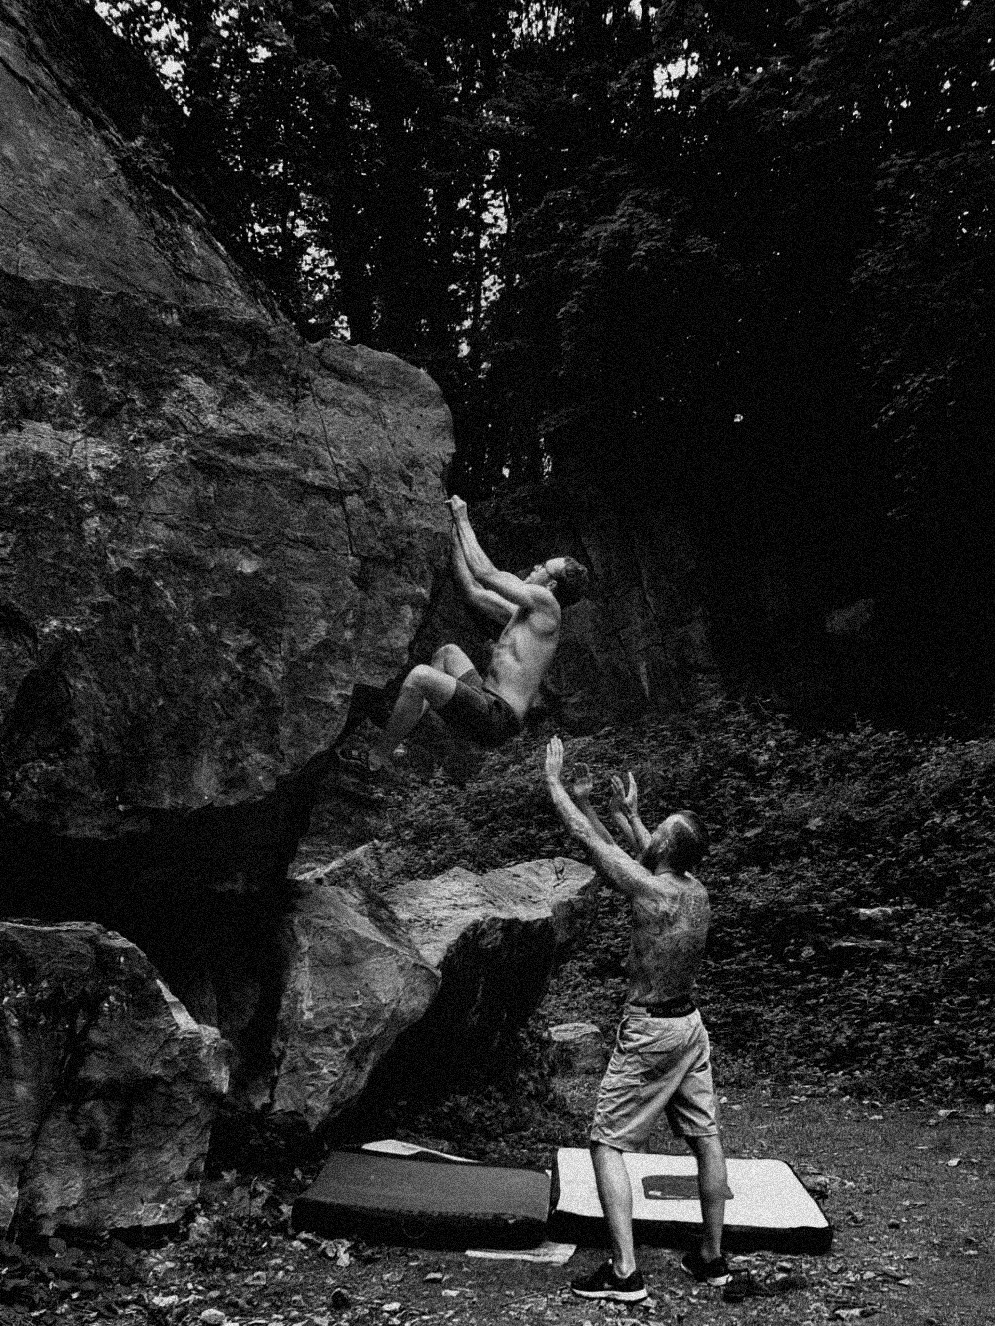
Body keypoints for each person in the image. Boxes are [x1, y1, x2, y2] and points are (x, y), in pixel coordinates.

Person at [543, 736, 731, 1302]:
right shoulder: (695, 891)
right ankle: (712, 1259)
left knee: (606, 1142)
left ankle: (625, 1272)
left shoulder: (651, 890)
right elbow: (644, 852)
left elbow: (594, 845)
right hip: (690, 1027)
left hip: (651, 1031)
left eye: (660, 830)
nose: (652, 835)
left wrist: (556, 787)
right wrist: (620, 811)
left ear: (667, 847)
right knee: (706, 1138)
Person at [363, 496, 588, 773]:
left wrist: (462, 518)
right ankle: (402, 727)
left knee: (420, 676)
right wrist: (453, 537)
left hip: (498, 717)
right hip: (485, 697)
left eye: (543, 567)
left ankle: (376, 759)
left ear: (551, 585)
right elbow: (473, 591)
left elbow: (485, 573)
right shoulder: (528, 615)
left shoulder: (547, 605)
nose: (535, 567)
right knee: (447, 654)